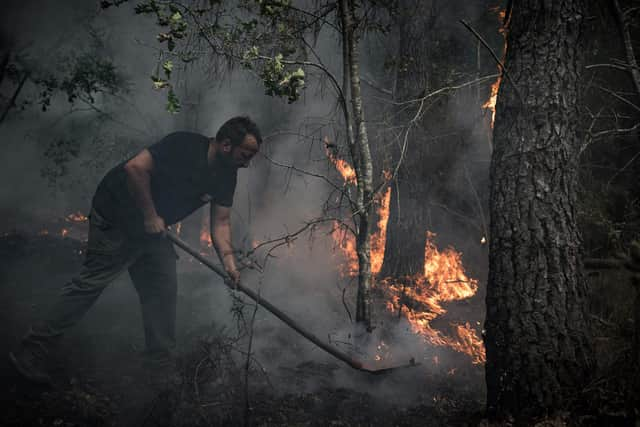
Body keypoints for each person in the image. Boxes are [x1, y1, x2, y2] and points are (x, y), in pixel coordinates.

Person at [9, 116, 262, 384]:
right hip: (116, 217)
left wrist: (230, 265)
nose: (247, 163)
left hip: (152, 232)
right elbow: (135, 168)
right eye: (245, 155)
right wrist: (150, 215)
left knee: (162, 289)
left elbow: (221, 223)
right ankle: (32, 351)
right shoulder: (184, 146)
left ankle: (158, 368)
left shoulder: (226, 175)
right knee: (90, 285)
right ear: (225, 145)